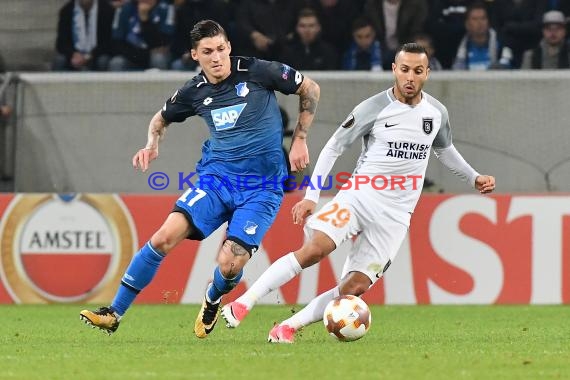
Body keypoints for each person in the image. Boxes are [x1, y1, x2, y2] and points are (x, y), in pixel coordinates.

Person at [221, 42, 496, 343]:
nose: (410, 77)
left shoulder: (436, 113)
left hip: (397, 214)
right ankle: (245, 302)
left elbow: (444, 150)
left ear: (427, 74)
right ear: (394, 69)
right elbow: (333, 147)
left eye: (417, 71)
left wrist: (474, 177)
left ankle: (287, 327)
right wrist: (312, 196)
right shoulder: (373, 108)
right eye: (404, 70)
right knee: (317, 249)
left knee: (355, 288)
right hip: (361, 197)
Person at [79, 19, 321, 338]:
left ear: (229, 47)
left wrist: (300, 139)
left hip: (262, 189)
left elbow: (310, 88)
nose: (216, 57)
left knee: (231, 263)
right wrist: (152, 145)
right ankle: (114, 312)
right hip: (215, 181)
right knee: (165, 236)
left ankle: (212, 298)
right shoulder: (194, 91)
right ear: (195, 55)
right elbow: (160, 119)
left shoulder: (259, 71)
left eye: (221, 49)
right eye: (208, 51)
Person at [108, 0, 175, 71]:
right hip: (131, 55)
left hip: (156, 55)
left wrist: (144, 19)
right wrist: (143, 54)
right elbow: (117, 41)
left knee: (158, 59)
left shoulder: (166, 8)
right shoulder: (124, 8)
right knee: (116, 62)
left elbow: (163, 42)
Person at [52, 0, 115, 71]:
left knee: (103, 60)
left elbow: (108, 42)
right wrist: (73, 54)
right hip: (75, 55)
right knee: (59, 60)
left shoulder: (106, 9)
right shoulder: (67, 10)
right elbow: (61, 43)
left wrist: (88, 56)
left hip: (97, 54)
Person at [452, 2, 513, 70]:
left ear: (488, 22)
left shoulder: (501, 42)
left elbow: (506, 64)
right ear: (467, 24)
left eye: (483, 18)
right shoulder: (460, 45)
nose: (480, 22)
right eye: (475, 19)